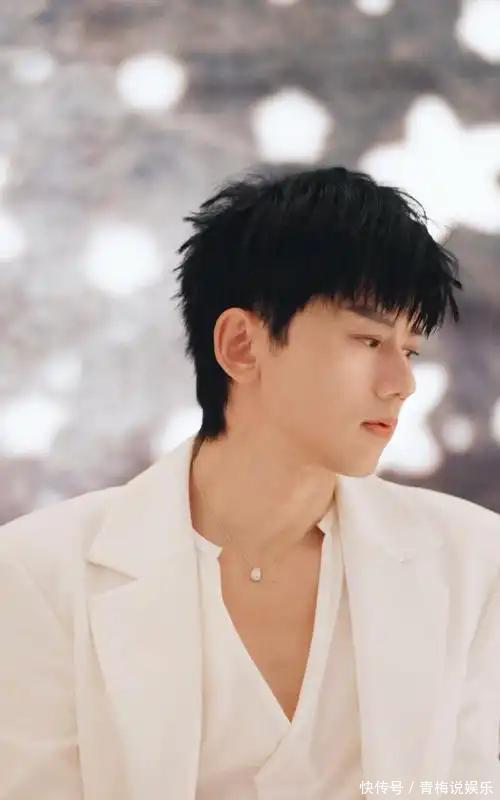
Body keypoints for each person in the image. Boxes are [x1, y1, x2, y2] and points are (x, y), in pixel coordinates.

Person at [0, 165, 499, 800]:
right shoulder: (37, 573)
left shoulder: (476, 562)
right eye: (369, 339)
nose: (401, 384)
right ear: (241, 344)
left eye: (410, 350)